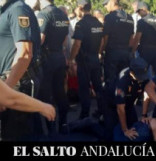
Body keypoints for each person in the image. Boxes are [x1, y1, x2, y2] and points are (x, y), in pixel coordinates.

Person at [0, 0, 43, 141]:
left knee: (17, 135)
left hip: (16, 81)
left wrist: (6, 92)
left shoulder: (18, 9)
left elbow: (24, 54)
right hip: (10, 81)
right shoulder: (7, 10)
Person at [36, 0, 70, 135]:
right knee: (60, 91)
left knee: (46, 93)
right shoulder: (63, 15)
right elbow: (65, 39)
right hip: (59, 56)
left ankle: (51, 127)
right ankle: (63, 123)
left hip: (47, 58)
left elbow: (41, 38)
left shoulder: (44, 14)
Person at [69, 0, 105, 119]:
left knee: (84, 88)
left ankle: (84, 114)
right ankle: (101, 111)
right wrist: (98, 53)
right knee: (98, 86)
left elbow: (77, 44)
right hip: (95, 58)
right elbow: (102, 42)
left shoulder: (81, 24)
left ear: (80, 8)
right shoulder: (98, 23)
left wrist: (71, 59)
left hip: (84, 60)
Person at [102, 0, 134, 101]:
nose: (105, 7)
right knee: (123, 80)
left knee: (111, 80)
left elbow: (105, 37)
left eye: (106, 4)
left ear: (112, 2)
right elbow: (131, 38)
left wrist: (102, 50)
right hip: (125, 52)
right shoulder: (129, 17)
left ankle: (111, 106)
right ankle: (122, 103)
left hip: (112, 53)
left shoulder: (109, 17)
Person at [113, 57, 150, 141]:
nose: (141, 79)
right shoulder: (122, 81)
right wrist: (125, 130)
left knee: (134, 126)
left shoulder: (143, 74)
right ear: (131, 73)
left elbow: (147, 94)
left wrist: (144, 115)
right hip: (112, 104)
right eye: (139, 76)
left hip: (129, 103)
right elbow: (120, 109)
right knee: (110, 133)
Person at [132, 1, 156, 75]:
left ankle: (145, 86)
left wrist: (133, 51)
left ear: (144, 9)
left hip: (145, 51)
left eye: (139, 11)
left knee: (143, 73)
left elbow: (137, 38)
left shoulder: (142, 21)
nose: (138, 14)